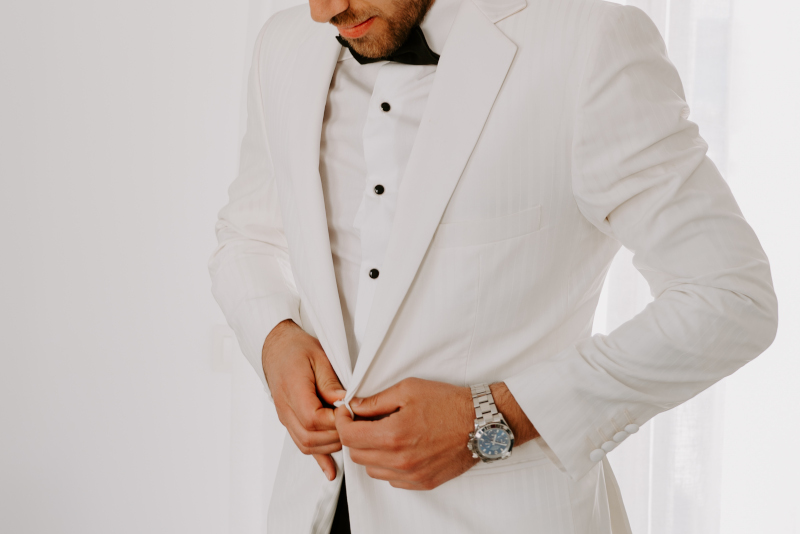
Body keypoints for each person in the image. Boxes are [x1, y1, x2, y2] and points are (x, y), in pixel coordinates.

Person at [208, 0, 778, 530]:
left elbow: (729, 297)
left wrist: (494, 417)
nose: (324, 10)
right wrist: (274, 337)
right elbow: (248, 235)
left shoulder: (587, 44)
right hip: (314, 507)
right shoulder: (283, 45)